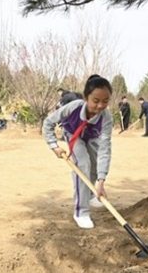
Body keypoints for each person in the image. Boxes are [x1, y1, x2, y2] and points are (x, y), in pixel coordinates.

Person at [43, 75, 116, 229]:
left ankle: (89, 194)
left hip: (92, 137)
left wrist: (101, 182)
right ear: (86, 97)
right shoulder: (74, 107)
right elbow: (48, 122)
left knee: (95, 165)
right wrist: (53, 145)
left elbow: (105, 150)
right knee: (83, 165)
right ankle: (81, 212)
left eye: (105, 101)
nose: (100, 106)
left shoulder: (106, 118)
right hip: (73, 134)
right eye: (95, 101)